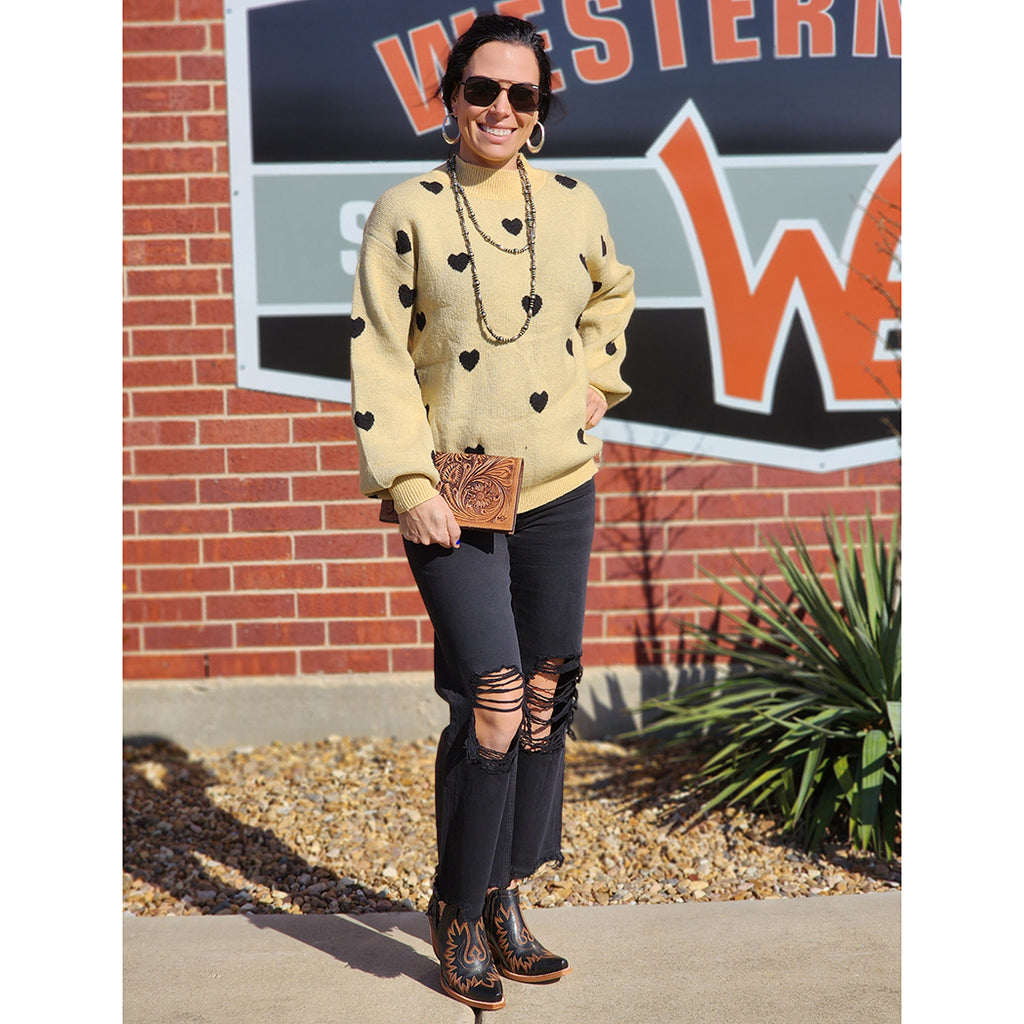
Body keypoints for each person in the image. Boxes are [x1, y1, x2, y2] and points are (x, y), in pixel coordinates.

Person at [349, 13, 634, 1012]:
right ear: (452, 98)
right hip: (455, 487)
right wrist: (406, 482)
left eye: (521, 93)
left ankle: (507, 892)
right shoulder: (407, 210)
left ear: (541, 107)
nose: (500, 109)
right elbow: (379, 351)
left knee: (547, 690)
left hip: (558, 481)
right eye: (482, 90)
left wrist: (599, 375)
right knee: (497, 696)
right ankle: (458, 906)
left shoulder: (573, 203)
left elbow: (613, 293)